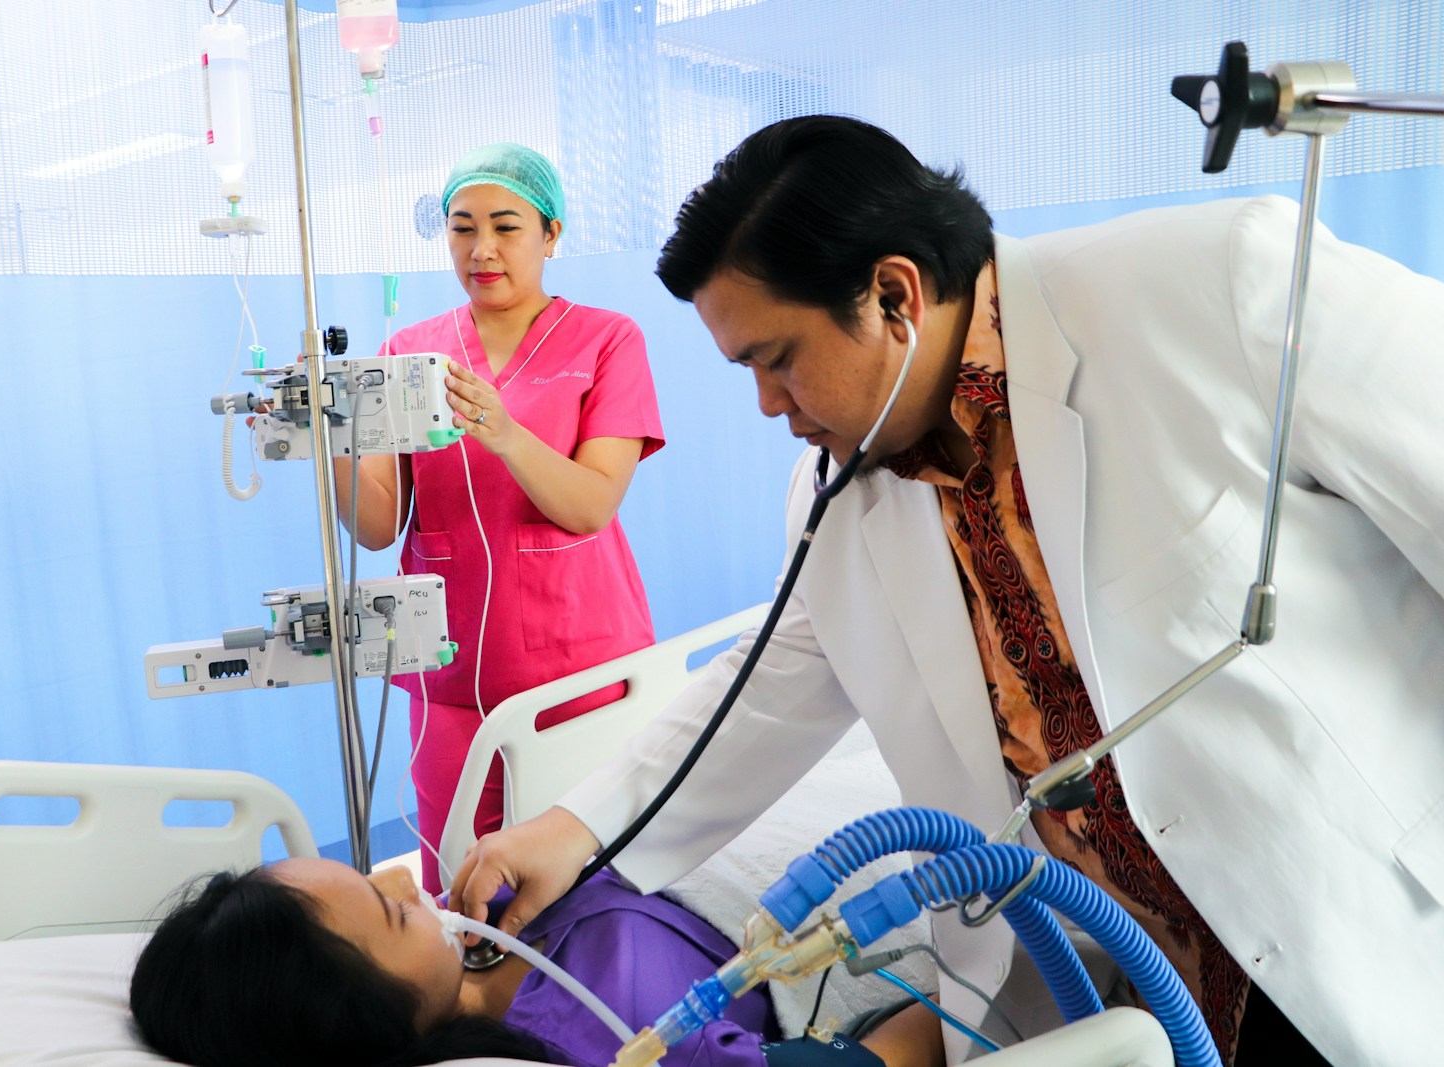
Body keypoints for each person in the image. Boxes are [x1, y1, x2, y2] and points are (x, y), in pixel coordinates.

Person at [449, 117, 1444, 1067]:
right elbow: (765, 684)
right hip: (1130, 983)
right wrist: (574, 828)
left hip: (1354, 927)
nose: (766, 405)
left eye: (777, 358)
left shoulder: (1217, 287)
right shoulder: (839, 492)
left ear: (893, 295)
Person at [334, 143, 665, 894]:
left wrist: (504, 429)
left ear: (551, 234)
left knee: (586, 883)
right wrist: (336, 440)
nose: (480, 249)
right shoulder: (408, 353)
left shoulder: (608, 340)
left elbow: (590, 504)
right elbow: (379, 526)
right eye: (461, 227)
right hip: (450, 669)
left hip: (580, 665)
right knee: (461, 890)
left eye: (506, 226)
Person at [129, 858, 942, 1067]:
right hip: (900, 887)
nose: (406, 877)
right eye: (393, 909)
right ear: (368, 1017)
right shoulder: (620, 1038)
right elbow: (881, 1055)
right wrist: (980, 959)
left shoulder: (495, 921)